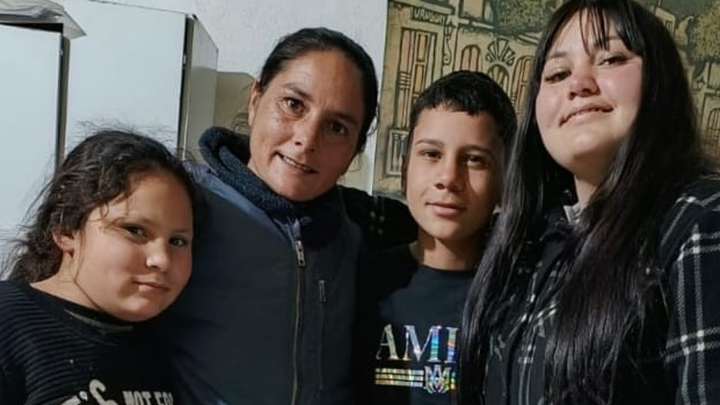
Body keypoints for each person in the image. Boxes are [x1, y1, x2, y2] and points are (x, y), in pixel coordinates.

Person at [458, 0, 720, 404]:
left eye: (611, 59)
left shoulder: (698, 220)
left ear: (660, 81)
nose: (578, 84)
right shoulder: (528, 245)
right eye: (557, 73)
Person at [153, 27, 414, 405]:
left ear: (355, 151)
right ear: (256, 98)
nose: (307, 139)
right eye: (293, 104)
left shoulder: (357, 233)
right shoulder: (183, 206)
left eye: (336, 127)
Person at [0, 130, 200, 404]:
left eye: (178, 241)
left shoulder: (161, 345)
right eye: (135, 230)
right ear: (66, 228)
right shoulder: (9, 321)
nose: (162, 259)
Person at [356, 70, 516, 405]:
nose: (448, 178)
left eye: (474, 160)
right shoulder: (360, 280)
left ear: (505, 181)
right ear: (404, 170)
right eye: (431, 154)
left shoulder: (518, 297)